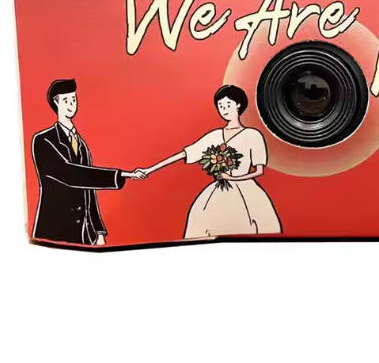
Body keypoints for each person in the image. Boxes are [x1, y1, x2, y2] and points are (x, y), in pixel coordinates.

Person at [140, 85, 281, 238]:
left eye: (228, 105)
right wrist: (149, 170)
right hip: (219, 189)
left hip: (246, 190)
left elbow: (259, 171)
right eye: (221, 106)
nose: (224, 110)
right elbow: (185, 154)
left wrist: (232, 178)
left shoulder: (253, 135)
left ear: (238, 105)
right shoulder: (215, 135)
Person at [31, 78, 146, 245]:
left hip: (83, 234)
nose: (71, 104)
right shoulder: (43, 140)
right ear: (56, 103)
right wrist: (123, 175)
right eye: (66, 100)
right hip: (54, 231)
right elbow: (71, 175)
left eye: (73, 99)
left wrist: (99, 231)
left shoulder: (82, 145)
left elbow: (89, 190)